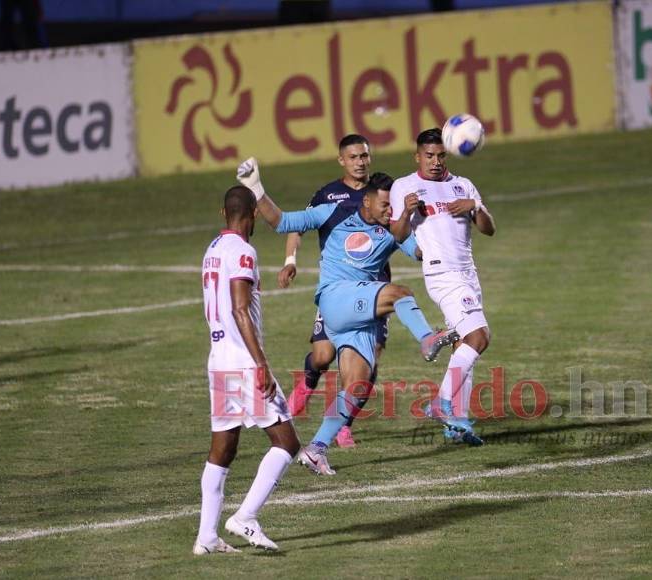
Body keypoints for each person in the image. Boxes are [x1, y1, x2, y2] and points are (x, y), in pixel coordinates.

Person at [237, 158, 457, 475]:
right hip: (336, 297)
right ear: (366, 200)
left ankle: (316, 449)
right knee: (400, 293)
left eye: (392, 205)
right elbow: (282, 222)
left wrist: (431, 221)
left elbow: (422, 252)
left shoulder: (394, 227)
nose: (388, 210)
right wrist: (255, 187)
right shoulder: (334, 212)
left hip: (361, 317)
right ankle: (427, 339)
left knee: (357, 386)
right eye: (384, 204)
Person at [193, 185, 300, 555]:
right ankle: (246, 517)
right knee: (287, 443)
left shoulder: (212, 250)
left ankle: (206, 537)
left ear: (224, 214)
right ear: (253, 214)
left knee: (223, 448)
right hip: (242, 361)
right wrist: (261, 365)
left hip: (219, 359)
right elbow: (240, 309)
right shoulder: (243, 251)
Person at [278, 134, 390, 448]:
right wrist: (290, 260)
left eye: (364, 156)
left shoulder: (383, 194)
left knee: (367, 365)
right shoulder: (328, 196)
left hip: (374, 293)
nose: (360, 162)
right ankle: (307, 385)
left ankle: (343, 423)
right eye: (353, 157)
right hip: (337, 291)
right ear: (342, 160)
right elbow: (297, 226)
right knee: (323, 355)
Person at [389, 128, 496, 446]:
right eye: (428, 156)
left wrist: (475, 207)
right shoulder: (405, 186)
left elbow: (489, 229)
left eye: (440, 156)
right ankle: (441, 402)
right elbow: (396, 233)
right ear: (417, 156)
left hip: (468, 274)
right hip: (441, 274)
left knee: (463, 344)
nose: (435, 162)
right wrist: (407, 211)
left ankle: (457, 423)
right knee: (478, 337)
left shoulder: (462, 186)